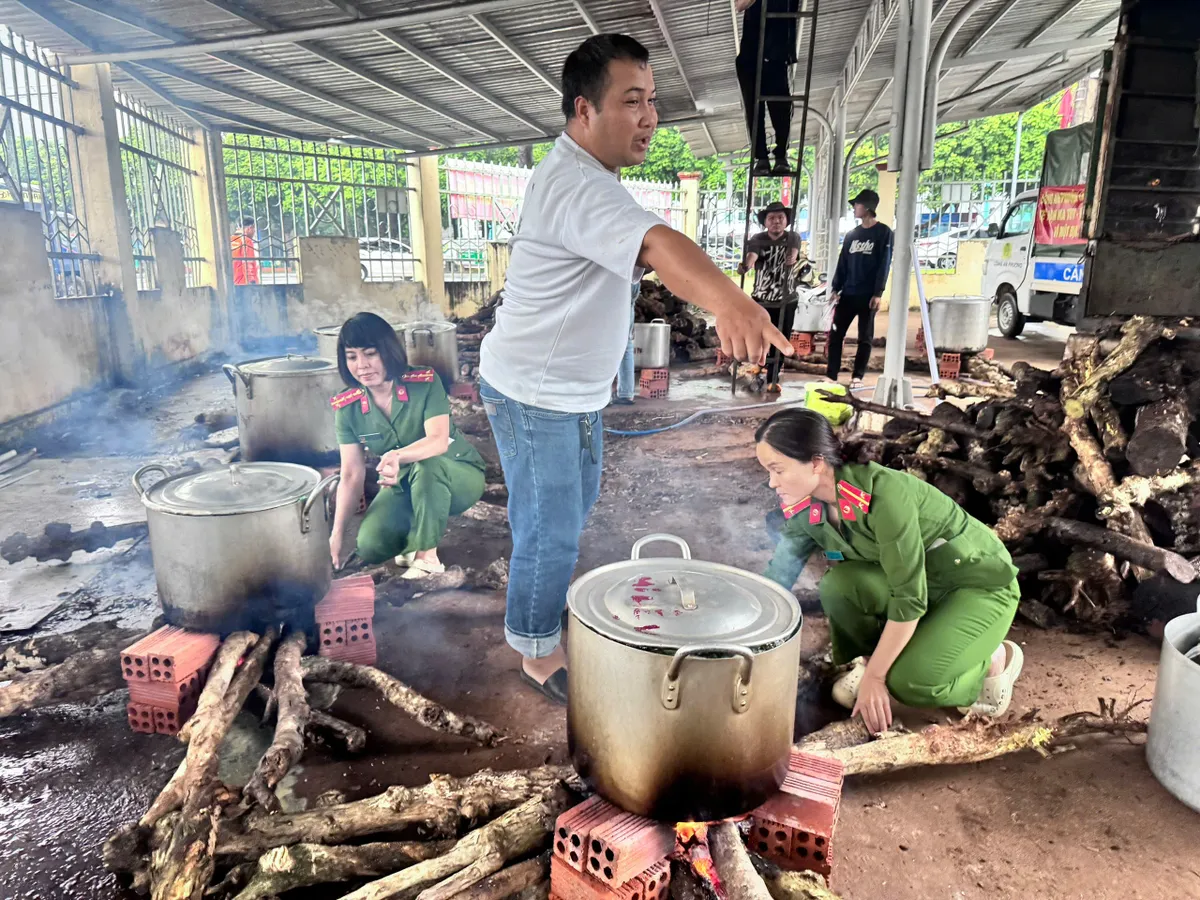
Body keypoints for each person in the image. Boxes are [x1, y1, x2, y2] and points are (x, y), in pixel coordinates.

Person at [478, 33, 792, 704]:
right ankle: (535, 649)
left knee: (563, 512)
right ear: (583, 110)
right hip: (536, 396)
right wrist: (732, 302)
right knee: (550, 528)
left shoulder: (593, 179)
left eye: (652, 101)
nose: (650, 117)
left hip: (571, 393)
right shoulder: (575, 186)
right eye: (631, 102)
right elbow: (657, 243)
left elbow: (649, 249)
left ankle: (541, 599)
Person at [755, 408, 1023, 734]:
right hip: (917, 584)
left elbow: (908, 599)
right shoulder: (807, 506)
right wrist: (738, 637)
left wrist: (877, 679)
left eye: (777, 470)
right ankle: (872, 659)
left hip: (973, 584)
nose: (772, 482)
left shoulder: (885, 498)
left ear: (815, 462)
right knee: (840, 584)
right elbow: (779, 576)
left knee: (910, 684)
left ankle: (992, 661)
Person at [329, 313, 486, 580]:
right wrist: (337, 533)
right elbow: (351, 474)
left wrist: (396, 455)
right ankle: (414, 541)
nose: (362, 365)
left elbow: (437, 442)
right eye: (352, 357)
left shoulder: (424, 383)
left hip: (457, 474)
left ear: (388, 352)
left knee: (428, 464)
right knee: (370, 545)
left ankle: (427, 558)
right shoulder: (347, 407)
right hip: (405, 483)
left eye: (370, 354)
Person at [826, 189, 893, 387]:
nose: (854, 207)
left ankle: (858, 376)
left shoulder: (884, 233)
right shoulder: (851, 236)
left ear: (868, 207)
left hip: (868, 296)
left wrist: (878, 293)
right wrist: (835, 288)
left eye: (857, 204)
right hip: (848, 294)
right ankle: (831, 375)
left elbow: (885, 264)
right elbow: (843, 263)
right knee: (836, 334)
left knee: (865, 337)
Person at [739, 201, 801, 389]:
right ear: (765, 222)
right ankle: (757, 367)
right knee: (759, 336)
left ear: (786, 221)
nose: (776, 222)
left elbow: (792, 254)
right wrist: (747, 265)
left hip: (786, 299)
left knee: (781, 337)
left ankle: (774, 379)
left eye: (780, 218)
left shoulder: (793, 237)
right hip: (761, 299)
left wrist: (792, 257)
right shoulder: (758, 239)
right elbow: (752, 256)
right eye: (772, 218)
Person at [734, 0, 799, 176]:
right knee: (754, 109)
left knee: (781, 109)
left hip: (776, 54)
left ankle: (780, 155)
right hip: (751, 55)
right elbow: (739, 5)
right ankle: (761, 157)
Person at [614, 281, 640, 405]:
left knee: (605, 340)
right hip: (633, 282)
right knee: (626, 344)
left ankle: (603, 397)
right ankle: (626, 393)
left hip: (617, 280)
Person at [231, 217, 260, 286]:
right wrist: (252, 282)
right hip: (244, 283)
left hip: (232, 283)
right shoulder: (246, 241)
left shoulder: (230, 239)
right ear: (250, 228)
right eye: (254, 230)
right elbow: (248, 263)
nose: (254, 232)